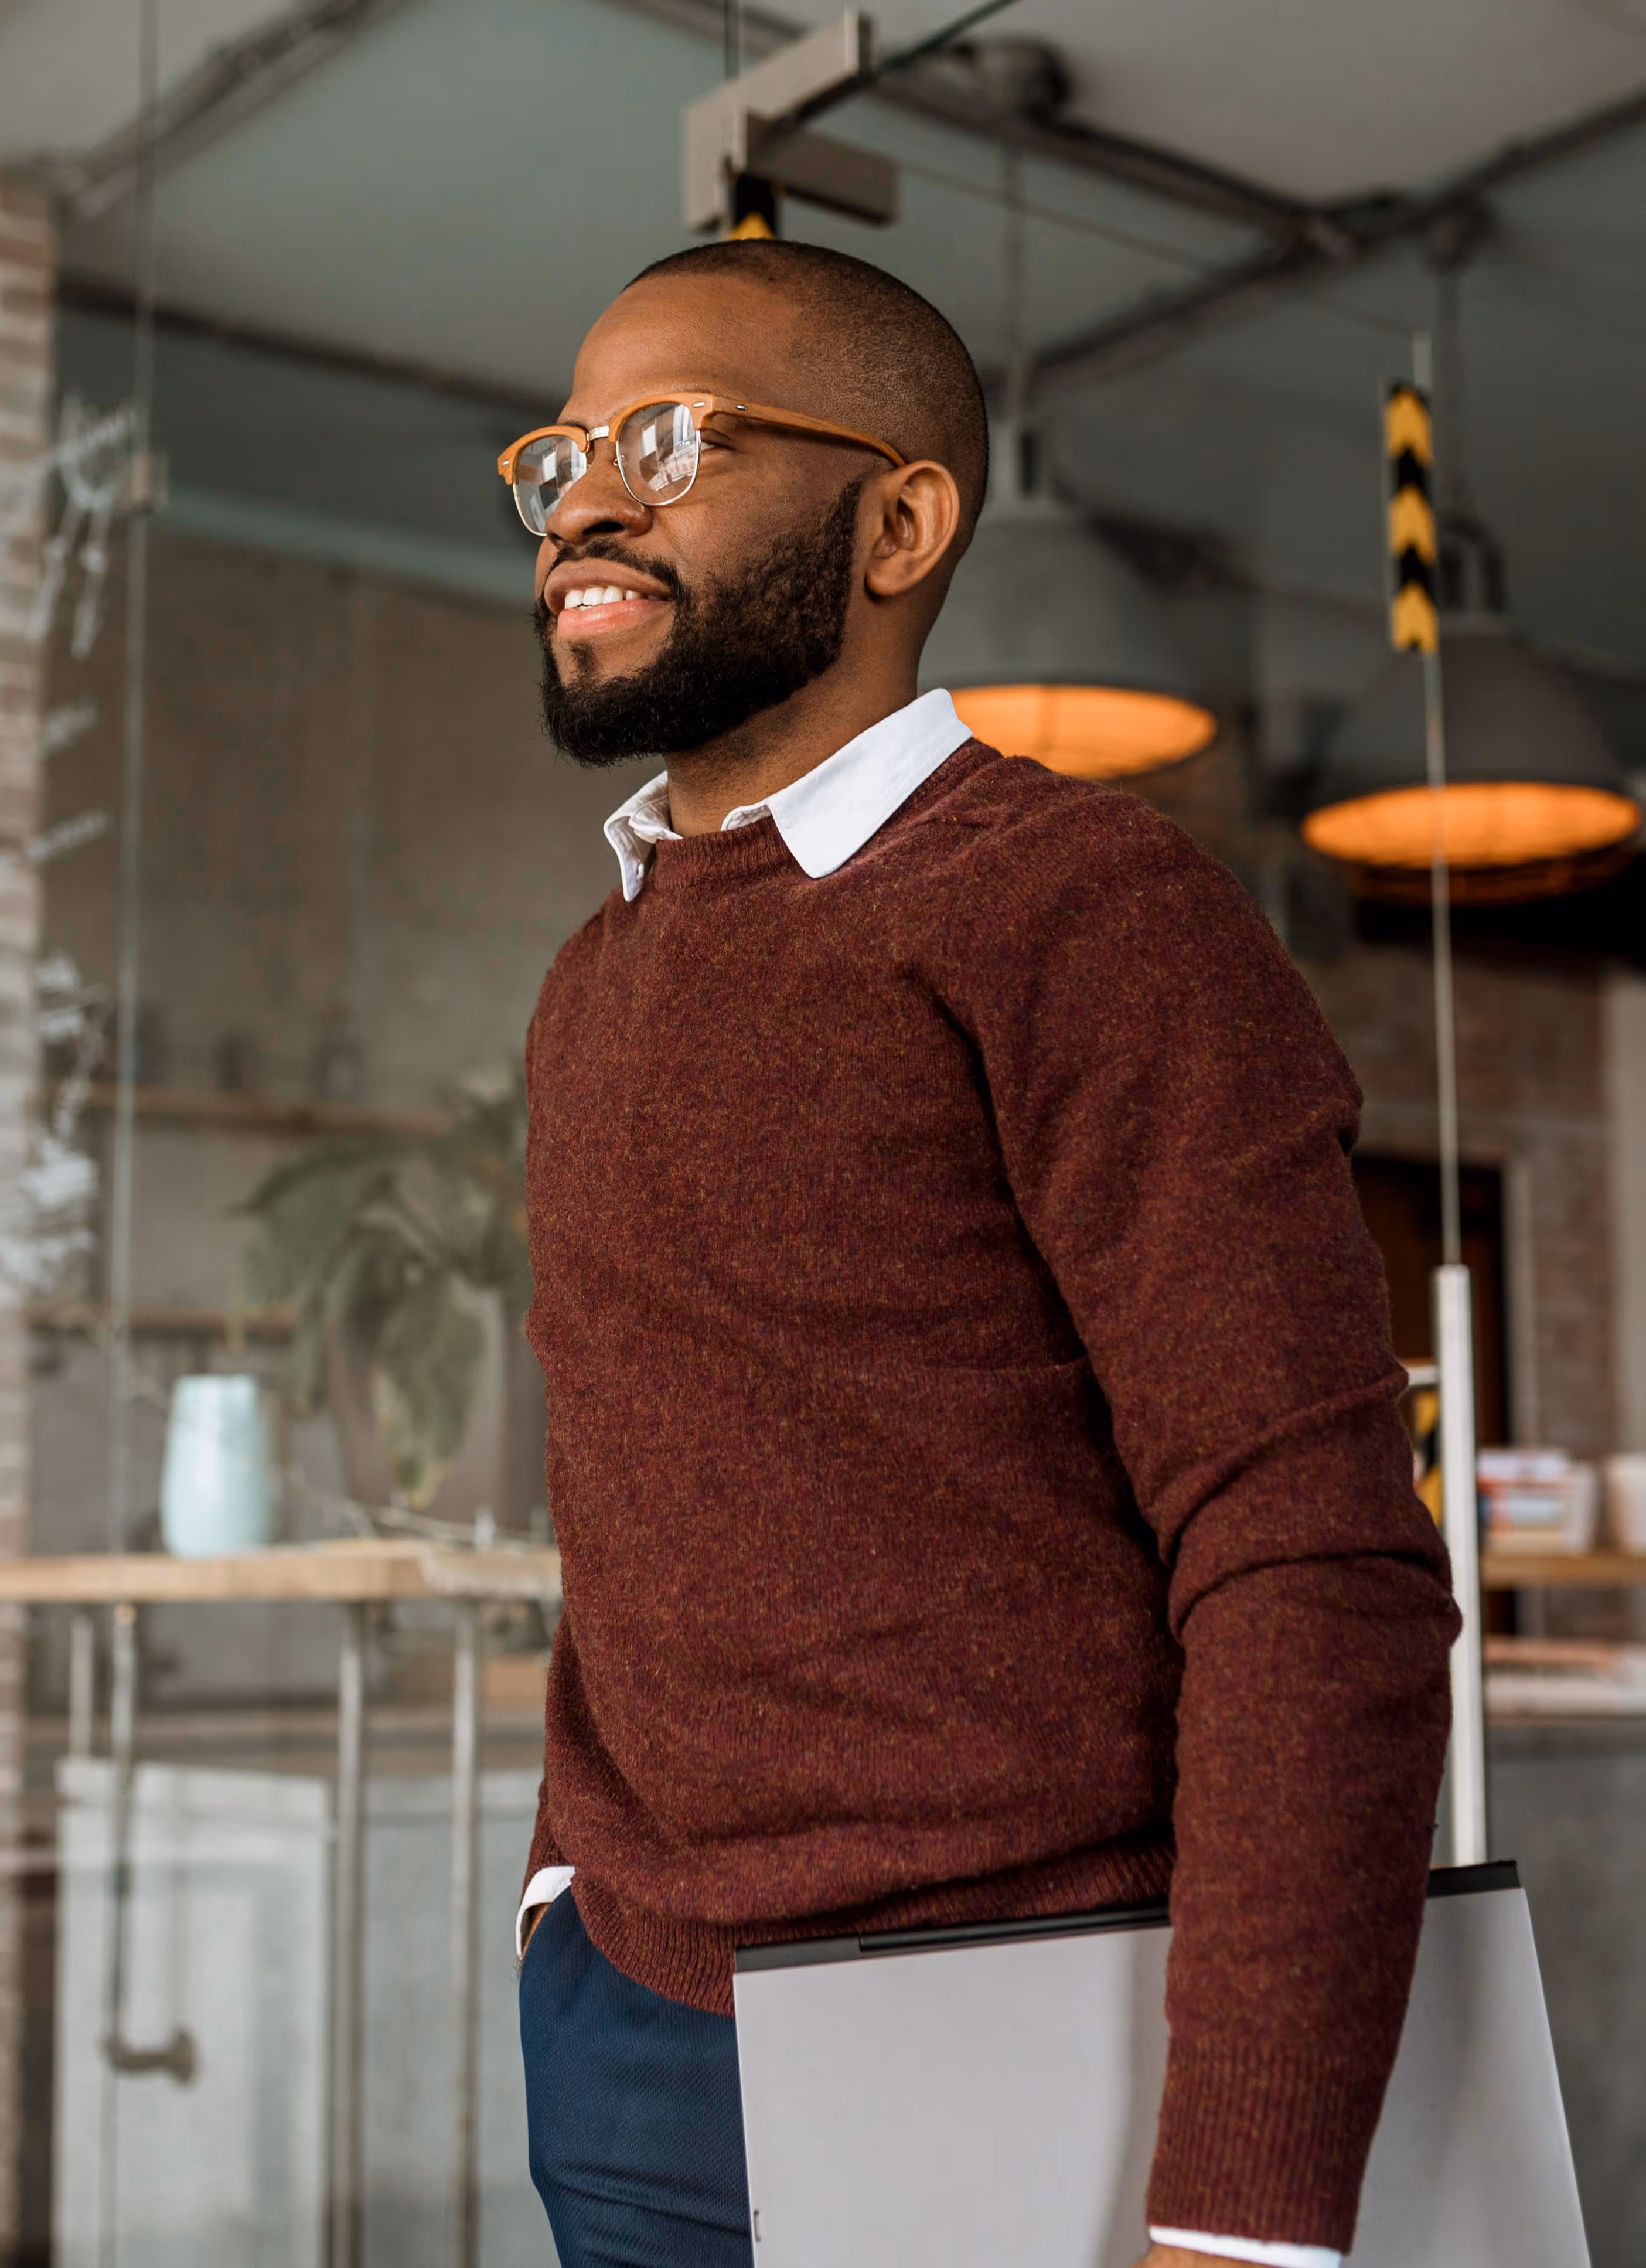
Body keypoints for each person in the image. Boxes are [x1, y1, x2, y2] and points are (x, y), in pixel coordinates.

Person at [504, 239, 1458, 2268]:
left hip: (1026, 2033)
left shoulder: (1089, 917)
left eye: (666, 442)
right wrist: (557, 1897)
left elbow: (1312, 1563)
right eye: (565, 451)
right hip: (632, 2031)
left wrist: (1246, 2213)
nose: (585, 496)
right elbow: (642, 1500)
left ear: (898, 519)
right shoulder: (594, 982)